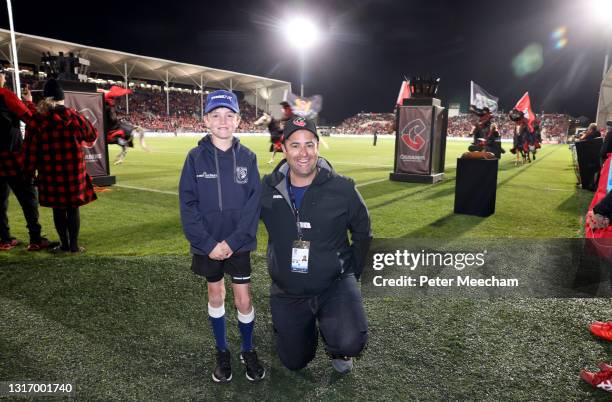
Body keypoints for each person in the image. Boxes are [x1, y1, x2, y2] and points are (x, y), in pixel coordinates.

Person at [260, 116, 372, 373]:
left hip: (333, 284)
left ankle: (338, 345)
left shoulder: (342, 188)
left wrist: (350, 273)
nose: (303, 153)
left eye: (309, 145)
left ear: (317, 147)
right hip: (289, 290)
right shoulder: (267, 188)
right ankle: (304, 332)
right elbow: (240, 222)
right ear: (283, 148)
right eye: (296, 145)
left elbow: (363, 231)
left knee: (350, 341)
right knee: (294, 361)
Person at [179, 90, 264, 383]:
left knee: (243, 299)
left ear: (239, 120)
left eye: (229, 115)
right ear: (206, 120)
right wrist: (208, 244)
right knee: (216, 294)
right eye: (215, 115)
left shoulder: (249, 158)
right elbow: (187, 206)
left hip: (238, 244)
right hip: (208, 245)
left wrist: (233, 242)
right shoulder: (194, 158)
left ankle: (248, 349)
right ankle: (222, 350)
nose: (223, 121)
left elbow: (254, 206)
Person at [21, 79, 97, 253]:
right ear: (62, 98)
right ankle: (74, 246)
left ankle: (63, 244)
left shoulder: (38, 120)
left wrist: (28, 173)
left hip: (50, 174)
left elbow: (29, 150)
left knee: (58, 209)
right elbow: (92, 135)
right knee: (73, 208)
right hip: (74, 173)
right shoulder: (74, 116)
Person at [0, 70, 54, 251]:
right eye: (2, 74)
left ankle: (5, 239)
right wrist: (29, 102)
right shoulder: (4, 94)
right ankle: (35, 239)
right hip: (12, 156)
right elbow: (30, 119)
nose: (5, 77)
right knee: (28, 197)